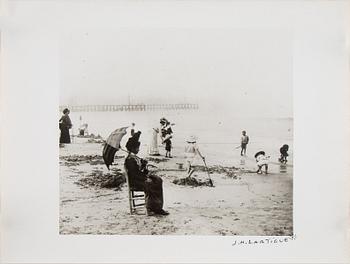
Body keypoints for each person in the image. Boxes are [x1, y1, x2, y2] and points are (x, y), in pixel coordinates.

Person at [124, 131, 169, 216]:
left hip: (140, 178)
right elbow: (134, 174)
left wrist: (144, 165)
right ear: (133, 149)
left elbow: (141, 171)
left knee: (158, 180)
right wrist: (145, 177)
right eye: (137, 148)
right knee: (150, 183)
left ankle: (158, 207)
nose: (138, 149)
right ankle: (150, 208)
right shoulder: (129, 160)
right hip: (135, 181)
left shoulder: (135, 158)